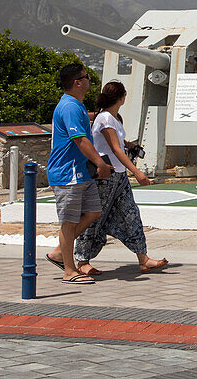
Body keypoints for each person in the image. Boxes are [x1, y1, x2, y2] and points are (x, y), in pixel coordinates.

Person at [74, 81, 167, 275]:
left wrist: (129, 145)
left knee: (131, 214)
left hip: (118, 177)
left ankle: (143, 258)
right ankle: (82, 261)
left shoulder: (114, 118)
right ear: (122, 97)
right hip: (106, 176)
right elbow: (115, 149)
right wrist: (137, 171)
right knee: (95, 218)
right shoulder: (106, 118)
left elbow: (118, 143)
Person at [45, 62, 112, 284]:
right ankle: (69, 270)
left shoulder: (77, 105)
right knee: (68, 222)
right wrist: (100, 164)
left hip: (81, 173)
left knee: (94, 211)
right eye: (86, 77)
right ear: (77, 82)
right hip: (67, 174)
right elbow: (80, 140)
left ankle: (58, 252)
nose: (89, 80)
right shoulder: (70, 107)